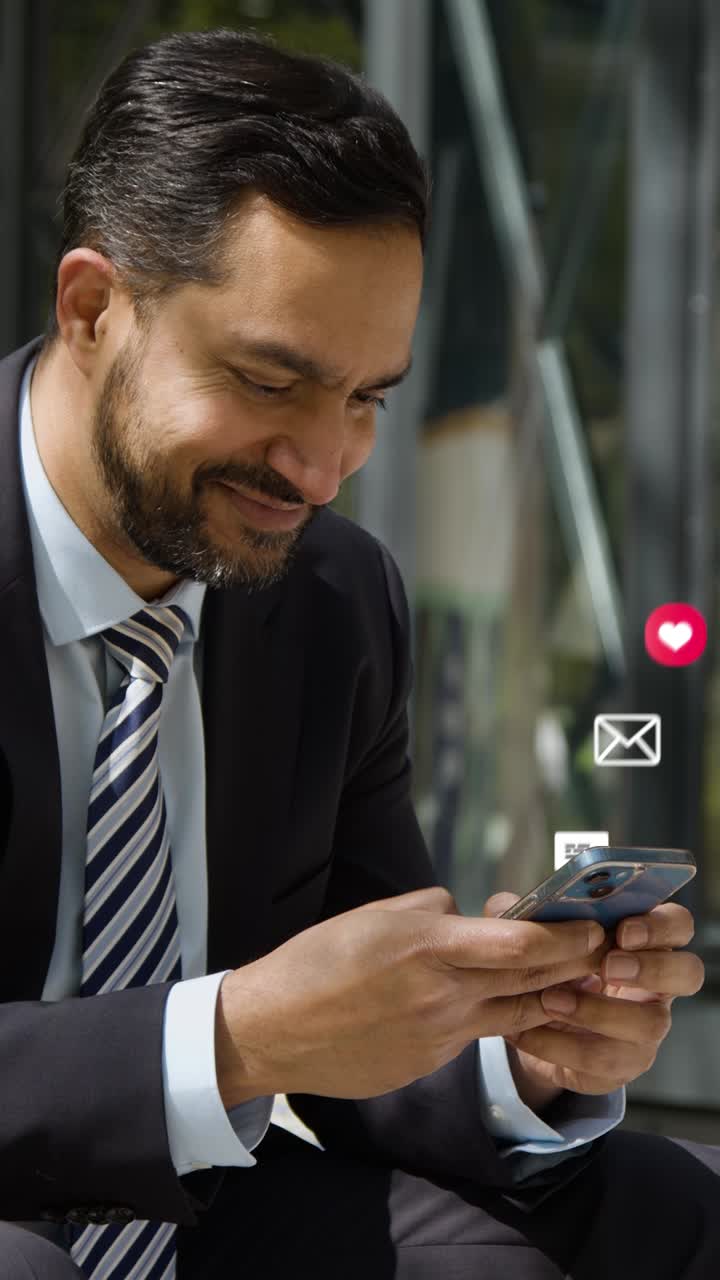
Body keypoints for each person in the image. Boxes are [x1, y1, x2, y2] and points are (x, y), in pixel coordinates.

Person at [0, 26, 717, 1280]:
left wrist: (514, 1042)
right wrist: (226, 1038)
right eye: (271, 382)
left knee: (655, 1207)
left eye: (368, 399)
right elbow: (269, 1036)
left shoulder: (331, 596)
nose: (323, 467)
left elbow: (354, 1037)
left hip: (191, 1212)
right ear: (93, 308)